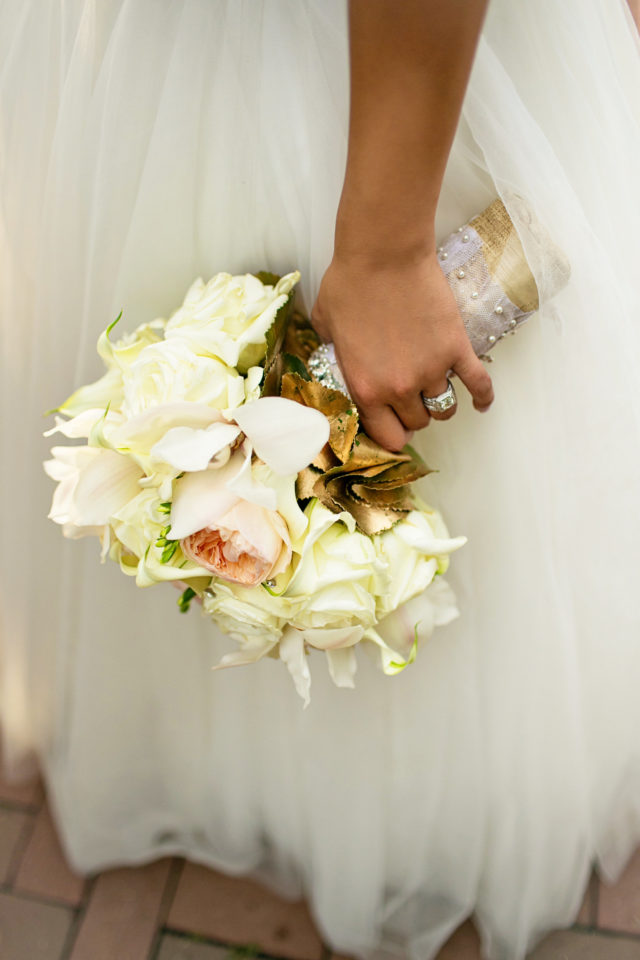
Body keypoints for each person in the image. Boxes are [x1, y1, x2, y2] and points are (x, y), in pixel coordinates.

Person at [1, 1, 640, 958]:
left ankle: (427, 806)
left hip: (364, 87)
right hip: (147, 58)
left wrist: (386, 250)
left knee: (440, 493)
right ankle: (217, 763)